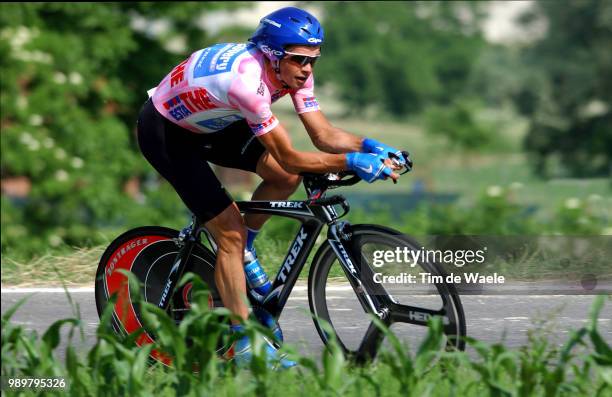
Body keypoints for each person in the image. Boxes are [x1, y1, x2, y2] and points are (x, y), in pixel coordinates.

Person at [136, 6, 409, 369]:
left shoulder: (292, 70)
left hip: (214, 122)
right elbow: (292, 155)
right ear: (274, 57)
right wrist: (350, 163)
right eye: (300, 60)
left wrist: (369, 146)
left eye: (313, 59)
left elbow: (323, 136)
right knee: (229, 232)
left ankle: (244, 254)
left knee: (284, 178)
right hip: (167, 132)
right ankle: (245, 345)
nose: (308, 69)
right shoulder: (247, 85)